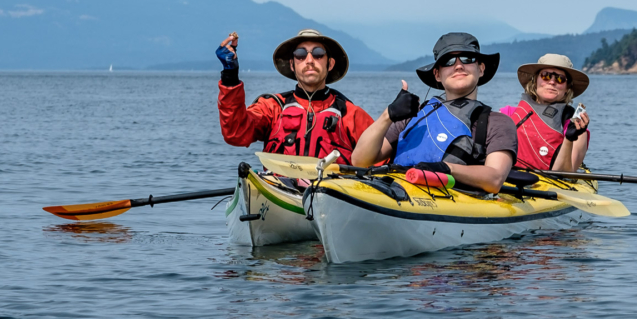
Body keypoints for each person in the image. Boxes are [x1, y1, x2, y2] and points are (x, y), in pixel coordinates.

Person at [351, 32, 517, 193]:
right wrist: (388, 115)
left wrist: (446, 168)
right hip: (397, 190)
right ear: (437, 74)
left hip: (450, 201)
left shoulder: (497, 123)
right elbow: (360, 160)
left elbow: (495, 179)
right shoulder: (412, 118)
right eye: (448, 61)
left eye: (467, 58)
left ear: (481, 69)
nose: (458, 65)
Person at [216, 29, 374, 165]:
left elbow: (382, 156)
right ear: (292, 65)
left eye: (318, 54)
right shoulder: (272, 108)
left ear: (330, 64)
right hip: (278, 194)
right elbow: (235, 134)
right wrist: (230, 76)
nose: (310, 60)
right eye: (301, 54)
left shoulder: (351, 114)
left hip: (333, 195)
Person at [499, 54, 590, 173]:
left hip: (547, 185)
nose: (552, 82)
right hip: (507, 178)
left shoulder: (576, 127)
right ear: (535, 80)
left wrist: (569, 139)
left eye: (560, 79)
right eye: (546, 76)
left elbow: (566, 175)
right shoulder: (507, 114)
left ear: (567, 87)